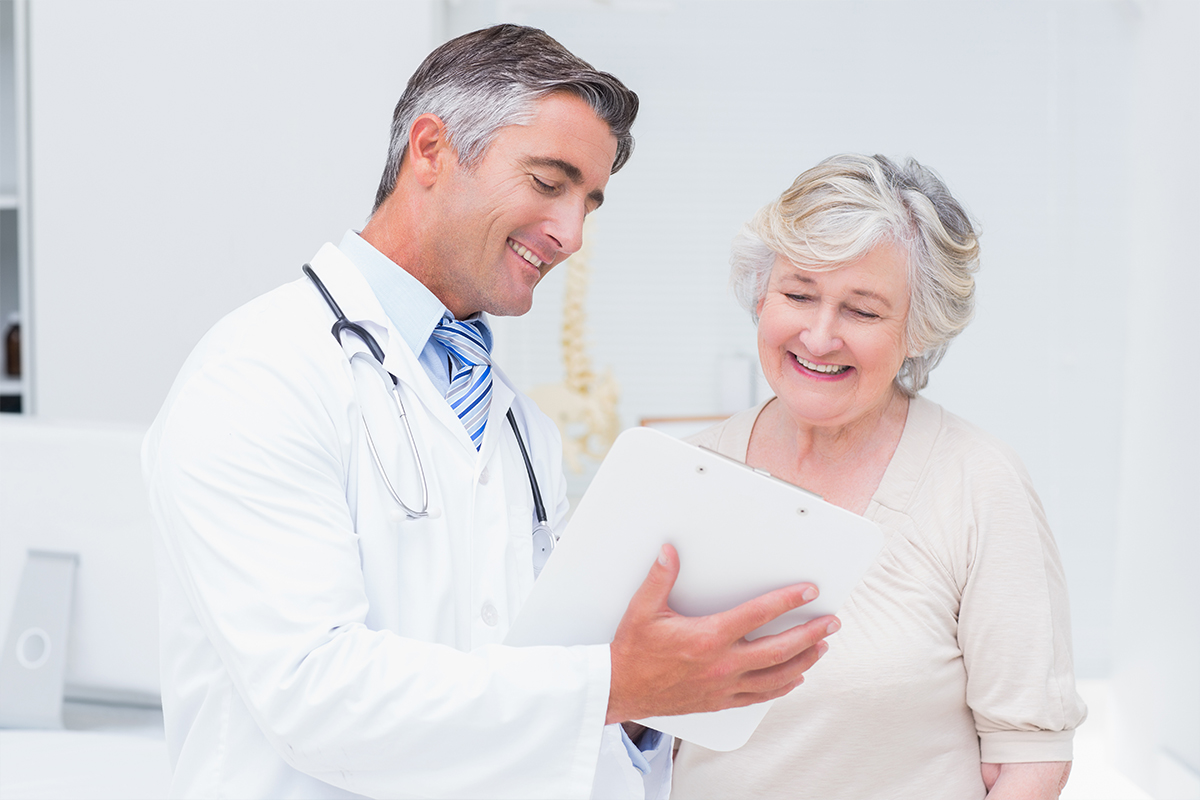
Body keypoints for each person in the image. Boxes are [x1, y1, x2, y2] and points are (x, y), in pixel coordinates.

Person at [142, 24, 839, 800]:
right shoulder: (261, 372)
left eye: (589, 201)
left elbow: (532, 691)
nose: (571, 234)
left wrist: (652, 703)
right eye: (549, 182)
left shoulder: (515, 425)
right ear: (432, 150)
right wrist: (613, 686)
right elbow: (315, 695)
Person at [670, 154, 1088, 800]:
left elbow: (1029, 760)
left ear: (918, 330)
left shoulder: (978, 483)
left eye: (862, 311)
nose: (819, 335)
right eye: (798, 294)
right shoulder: (686, 473)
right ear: (761, 294)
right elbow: (623, 723)